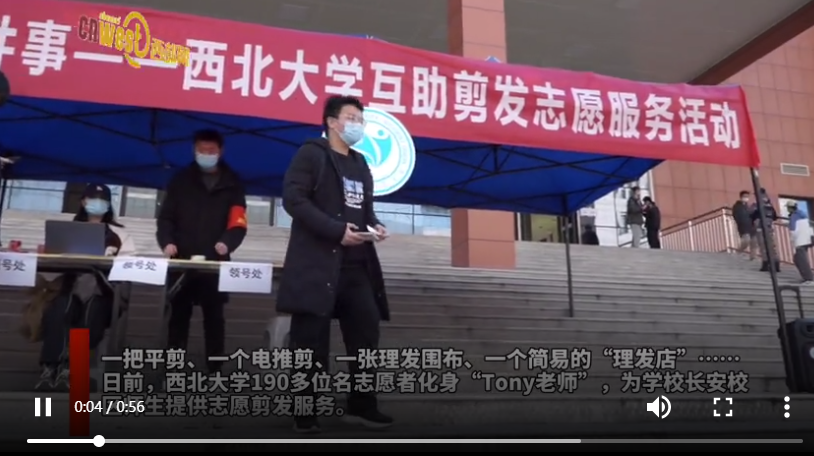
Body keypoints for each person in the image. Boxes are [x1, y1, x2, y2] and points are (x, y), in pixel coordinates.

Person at [277, 95, 393, 434]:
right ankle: (305, 410)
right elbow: (294, 200)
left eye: (360, 119)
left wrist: (376, 226)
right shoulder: (311, 154)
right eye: (351, 117)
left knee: (366, 335)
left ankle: (362, 405)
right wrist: (334, 230)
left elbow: (365, 209)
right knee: (310, 341)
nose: (358, 124)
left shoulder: (361, 163)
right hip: (317, 263)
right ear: (331, 122)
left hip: (357, 266)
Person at [156, 129, 248, 374]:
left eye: (211, 151)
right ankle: (174, 371)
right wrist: (167, 242)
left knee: (214, 319)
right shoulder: (180, 180)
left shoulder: (233, 183)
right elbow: (165, 218)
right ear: (193, 150)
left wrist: (227, 242)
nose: (206, 154)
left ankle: (215, 370)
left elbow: (238, 222)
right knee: (178, 317)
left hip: (215, 262)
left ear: (221, 151)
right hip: (181, 260)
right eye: (201, 150)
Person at [35, 184, 136, 391]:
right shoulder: (65, 232)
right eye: (92, 198)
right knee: (60, 309)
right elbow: (49, 275)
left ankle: (73, 369)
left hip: (103, 293)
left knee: (91, 313)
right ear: (83, 202)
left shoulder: (120, 235)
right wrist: (48, 255)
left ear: (108, 204)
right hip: (69, 289)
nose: (97, 203)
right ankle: (50, 368)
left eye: (102, 200)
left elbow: (129, 268)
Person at [751, 188, 780, 272]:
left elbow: (751, 215)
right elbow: (775, 217)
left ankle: (766, 264)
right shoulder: (769, 205)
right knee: (772, 246)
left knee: (763, 246)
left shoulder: (757, 204)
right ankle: (776, 264)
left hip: (760, 227)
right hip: (769, 227)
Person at [786, 201, 814, 285]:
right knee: (797, 258)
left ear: (790, 208)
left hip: (801, 240)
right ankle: (807, 277)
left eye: (787, 207)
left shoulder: (794, 216)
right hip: (808, 238)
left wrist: (793, 239)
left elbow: (793, 229)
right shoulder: (803, 214)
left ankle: (809, 279)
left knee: (801, 258)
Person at [732, 190, 757, 260]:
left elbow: (752, 215)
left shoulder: (748, 206)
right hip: (743, 226)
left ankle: (753, 257)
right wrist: (740, 223)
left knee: (754, 242)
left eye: (747, 197)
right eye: (745, 196)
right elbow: (736, 216)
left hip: (751, 226)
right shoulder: (737, 206)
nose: (746, 198)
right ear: (741, 197)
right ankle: (738, 252)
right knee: (746, 240)